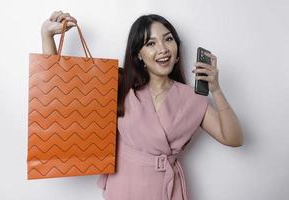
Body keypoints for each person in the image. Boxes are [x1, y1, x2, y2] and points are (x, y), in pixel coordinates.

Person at [41, 10, 244, 200]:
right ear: (138, 54)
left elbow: (233, 138)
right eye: (151, 43)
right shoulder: (121, 84)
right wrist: (47, 36)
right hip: (123, 187)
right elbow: (61, 90)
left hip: (163, 190)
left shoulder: (192, 98)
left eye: (168, 39)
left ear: (177, 48)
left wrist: (216, 89)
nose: (163, 49)